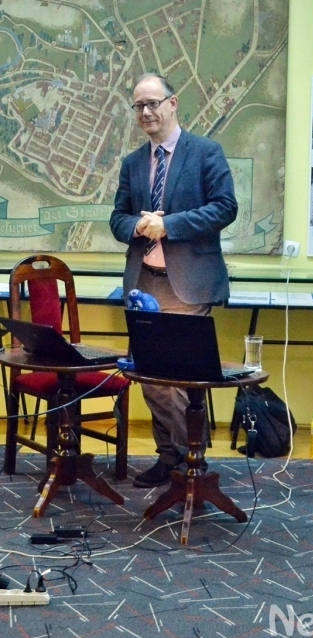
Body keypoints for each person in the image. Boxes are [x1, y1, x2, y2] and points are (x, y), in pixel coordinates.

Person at [110, 73, 238, 488]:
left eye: (152, 103)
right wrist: (139, 226)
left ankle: (188, 463)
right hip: (144, 283)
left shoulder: (205, 152)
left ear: (172, 103)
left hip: (189, 284)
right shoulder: (132, 163)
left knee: (176, 379)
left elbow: (225, 207)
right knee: (150, 377)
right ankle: (173, 460)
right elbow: (117, 219)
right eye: (139, 106)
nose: (146, 112)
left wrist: (170, 225)